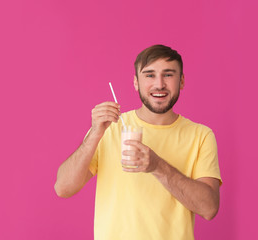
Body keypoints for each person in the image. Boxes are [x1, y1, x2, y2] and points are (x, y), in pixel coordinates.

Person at [54, 44, 222, 240]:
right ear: (136, 82)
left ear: (182, 81)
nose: (159, 84)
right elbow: (63, 188)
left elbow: (209, 209)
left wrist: (157, 165)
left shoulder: (200, 135)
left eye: (168, 75)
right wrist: (94, 134)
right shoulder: (111, 128)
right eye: (149, 75)